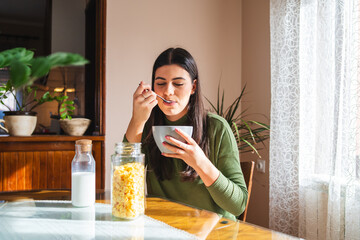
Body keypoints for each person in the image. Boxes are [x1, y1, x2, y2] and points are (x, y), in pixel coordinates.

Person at [125, 47, 248, 221]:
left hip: (215, 233)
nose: (168, 91)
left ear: (193, 87)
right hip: (164, 230)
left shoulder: (216, 128)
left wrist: (200, 163)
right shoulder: (146, 127)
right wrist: (137, 120)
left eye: (178, 83)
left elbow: (238, 206)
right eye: (160, 83)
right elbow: (124, 183)